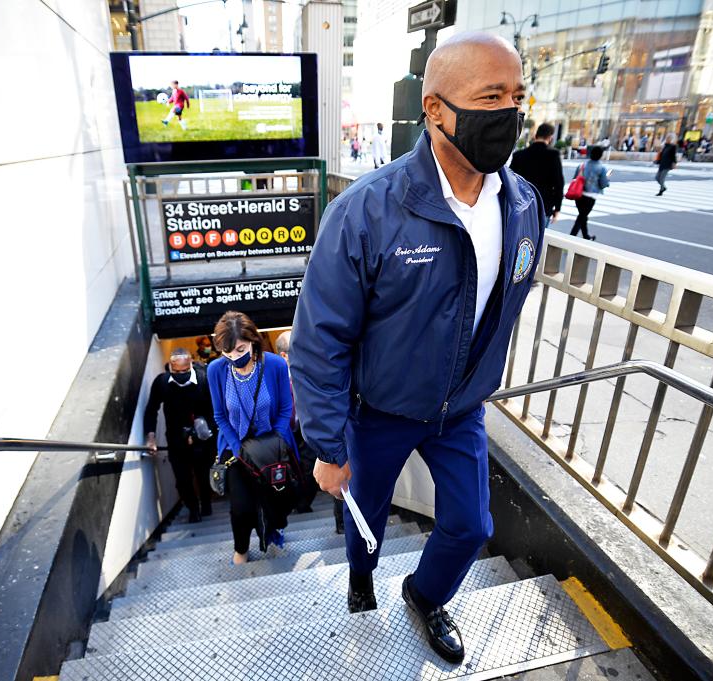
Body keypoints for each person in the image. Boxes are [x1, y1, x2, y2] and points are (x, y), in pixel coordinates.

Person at [290, 32, 545, 664]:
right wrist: (326, 444)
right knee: (365, 519)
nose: (510, 113)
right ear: (435, 110)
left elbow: (503, 302)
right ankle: (358, 578)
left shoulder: (522, 204)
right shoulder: (366, 212)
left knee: (471, 526)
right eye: (491, 96)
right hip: (378, 413)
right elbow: (319, 338)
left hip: (461, 410)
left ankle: (425, 596)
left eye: (517, 96)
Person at [208, 311, 299, 565]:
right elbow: (220, 416)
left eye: (240, 349)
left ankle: (274, 529)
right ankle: (241, 550)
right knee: (241, 507)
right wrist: (239, 449)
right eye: (227, 352)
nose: (234, 357)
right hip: (237, 450)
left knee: (276, 501)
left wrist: (274, 441)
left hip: (272, 447)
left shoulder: (275, 365)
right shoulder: (217, 370)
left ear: (253, 340)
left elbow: (284, 409)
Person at [145, 348, 216, 523]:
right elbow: (151, 410)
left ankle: (206, 503)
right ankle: (193, 509)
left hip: (202, 437)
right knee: (182, 479)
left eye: (185, 371)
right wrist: (151, 437)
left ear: (191, 364)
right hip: (176, 439)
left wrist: (208, 430)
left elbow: (216, 408)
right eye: (177, 372)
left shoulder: (204, 379)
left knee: (203, 474)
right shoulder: (162, 383)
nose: (181, 375)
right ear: (170, 367)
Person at [274, 330, 323, 517]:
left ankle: (303, 504)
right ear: (284, 356)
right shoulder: (273, 377)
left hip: (308, 429)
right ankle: (288, 506)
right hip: (284, 433)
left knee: (310, 470)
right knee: (287, 471)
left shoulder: (311, 372)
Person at [511, 122, 564, 223]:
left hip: (521, 204)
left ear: (535, 135)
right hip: (543, 205)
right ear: (550, 137)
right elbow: (559, 184)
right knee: (539, 237)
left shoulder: (519, 155)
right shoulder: (553, 155)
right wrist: (557, 209)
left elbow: (510, 180)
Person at [570, 145, 609, 240]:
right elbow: (603, 184)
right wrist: (607, 179)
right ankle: (570, 238)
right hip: (590, 196)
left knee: (583, 216)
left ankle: (586, 236)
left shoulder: (582, 165)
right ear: (600, 155)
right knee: (581, 217)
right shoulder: (602, 168)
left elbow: (575, 178)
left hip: (578, 194)